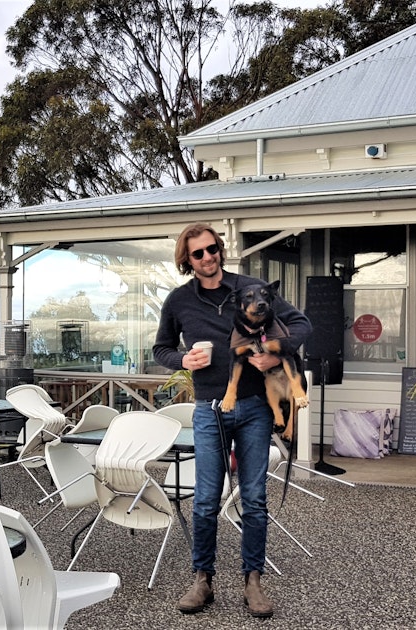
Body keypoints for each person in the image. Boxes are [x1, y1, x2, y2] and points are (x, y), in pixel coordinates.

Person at [153, 222, 311, 619]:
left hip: (257, 406)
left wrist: (278, 355)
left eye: (212, 249)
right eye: (198, 254)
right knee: (206, 501)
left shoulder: (250, 288)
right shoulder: (178, 301)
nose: (208, 258)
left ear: (220, 249)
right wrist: (183, 361)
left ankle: (253, 582)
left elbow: (302, 324)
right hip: (209, 407)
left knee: (254, 500)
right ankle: (202, 580)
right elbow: (161, 348)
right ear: (186, 260)